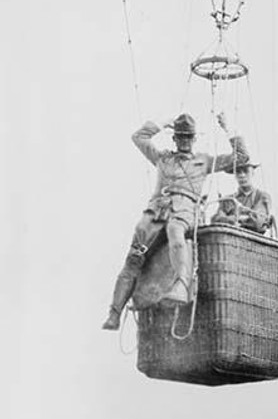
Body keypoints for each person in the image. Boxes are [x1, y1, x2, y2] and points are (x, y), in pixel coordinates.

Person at [102, 112, 248, 330]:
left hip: (185, 210)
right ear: (175, 138)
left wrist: (228, 128)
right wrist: (162, 122)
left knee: (175, 231)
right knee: (134, 255)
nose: (185, 141)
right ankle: (114, 312)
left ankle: (181, 285)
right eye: (180, 137)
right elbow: (138, 137)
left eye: (188, 137)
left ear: (194, 139)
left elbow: (241, 158)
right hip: (157, 211)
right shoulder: (163, 158)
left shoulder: (203, 161)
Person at [211, 160, 272, 234]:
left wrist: (231, 219)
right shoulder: (228, 200)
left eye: (246, 171)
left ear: (252, 173)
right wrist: (240, 219)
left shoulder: (261, 196)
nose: (242, 175)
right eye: (238, 172)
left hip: (253, 240)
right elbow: (216, 220)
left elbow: (258, 222)